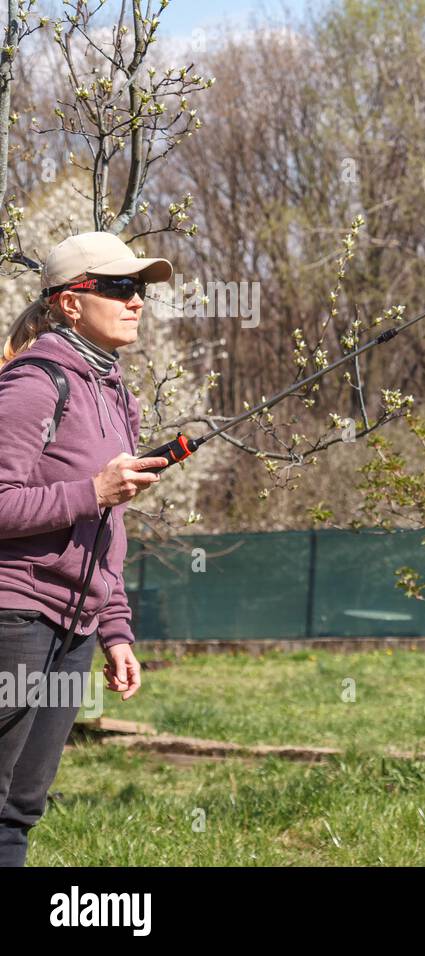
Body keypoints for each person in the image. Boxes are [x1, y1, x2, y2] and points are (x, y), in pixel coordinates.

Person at [0, 231, 173, 866]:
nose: (137, 302)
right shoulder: (36, 384)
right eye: (121, 287)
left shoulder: (114, 393)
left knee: (20, 806)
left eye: (141, 290)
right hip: (15, 614)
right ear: (72, 302)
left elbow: (105, 529)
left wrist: (116, 630)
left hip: (74, 626)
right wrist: (90, 490)